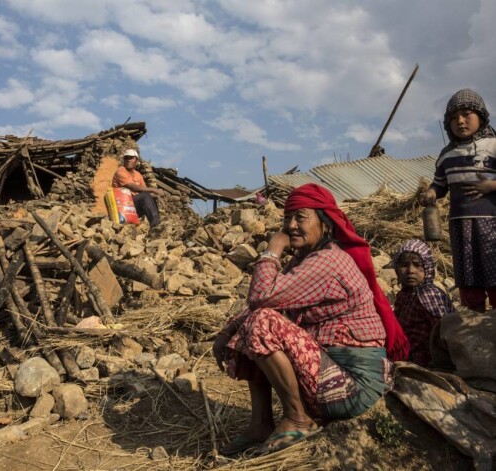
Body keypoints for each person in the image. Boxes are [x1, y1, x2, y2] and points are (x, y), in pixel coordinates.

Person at [213, 183, 409, 457]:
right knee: (249, 326)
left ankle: (297, 419)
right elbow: (259, 304)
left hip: (352, 387)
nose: (291, 225)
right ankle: (260, 424)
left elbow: (260, 298)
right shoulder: (308, 259)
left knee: (262, 323)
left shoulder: (328, 262)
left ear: (325, 225)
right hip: (329, 376)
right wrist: (226, 334)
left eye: (300, 217)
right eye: (287, 218)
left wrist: (272, 249)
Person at [421, 89, 496, 312]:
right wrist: (432, 192)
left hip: (492, 223)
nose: (460, 121)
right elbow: (440, 184)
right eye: (453, 118)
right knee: (467, 273)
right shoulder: (446, 155)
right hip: (460, 225)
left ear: (481, 116)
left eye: (466, 114)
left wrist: (490, 186)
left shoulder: (493, 145)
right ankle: (473, 322)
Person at [392, 239, 453, 367]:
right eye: (404, 265)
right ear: (396, 268)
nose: (411, 271)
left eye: (417, 265)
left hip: (426, 355)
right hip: (407, 348)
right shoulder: (404, 294)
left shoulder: (428, 295)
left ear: (427, 268)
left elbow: (442, 332)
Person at [112, 149, 164, 227]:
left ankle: (156, 223)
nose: (128, 160)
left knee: (149, 197)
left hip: (132, 205)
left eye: (131, 158)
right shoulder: (121, 172)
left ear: (137, 160)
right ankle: (156, 225)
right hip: (122, 205)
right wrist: (154, 189)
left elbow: (144, 191)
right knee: (145, 196)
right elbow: (133, 187)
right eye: (126, 158)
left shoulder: (138, 174)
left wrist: (156, 196)